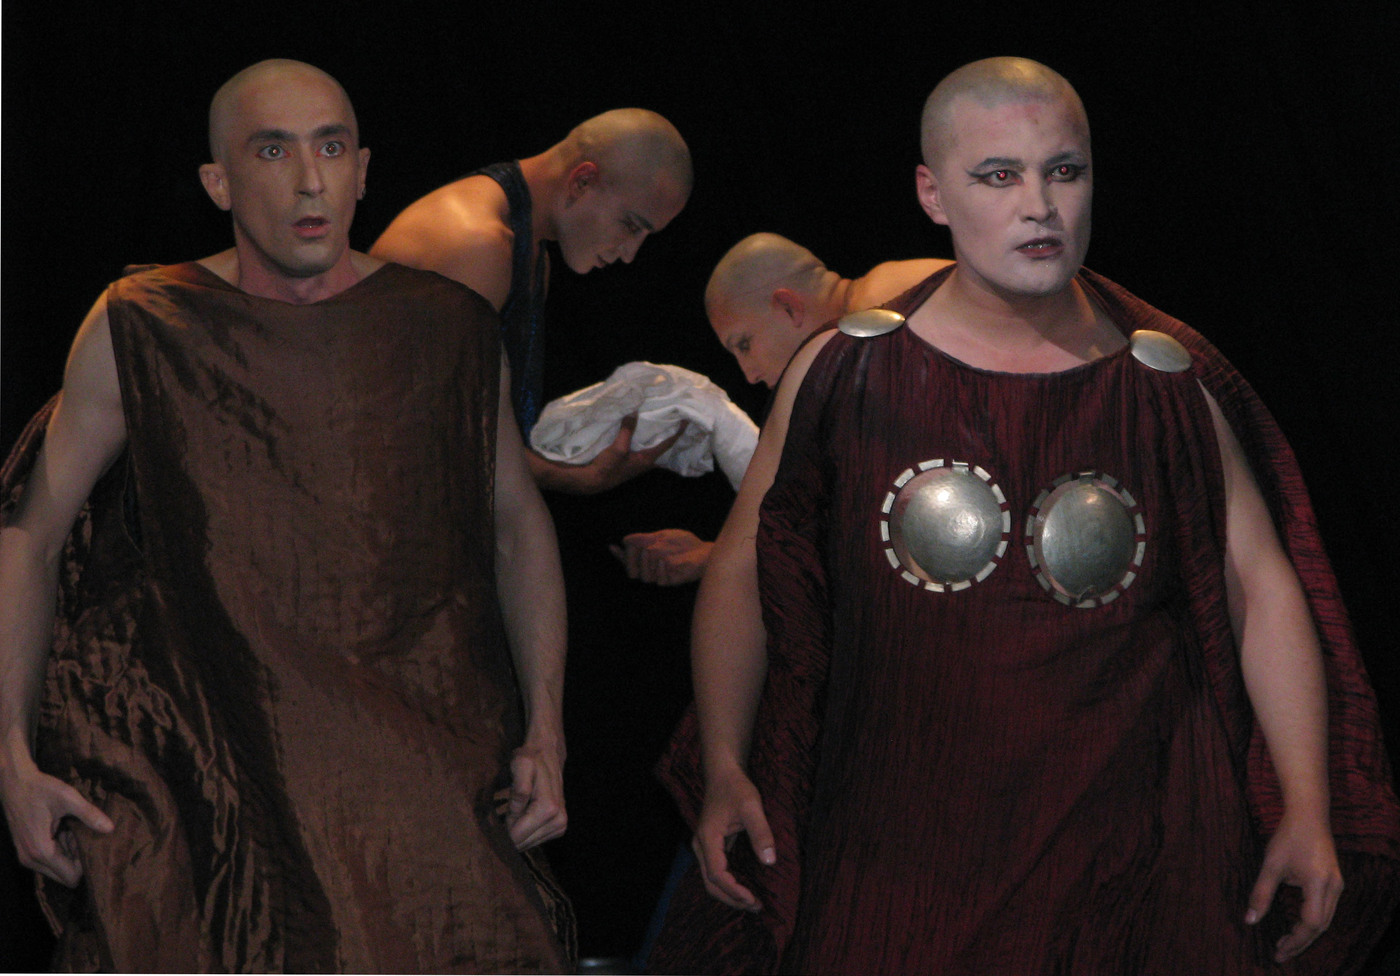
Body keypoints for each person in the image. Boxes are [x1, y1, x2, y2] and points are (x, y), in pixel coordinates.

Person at [647, 58, 1400, 975]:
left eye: (1064, 171)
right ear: (933, 193)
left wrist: (1307, 806)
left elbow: (1261, 587)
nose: (1039, 206)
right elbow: (748, 569)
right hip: (900, 852)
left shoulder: (1168, 382)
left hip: (1132, 855)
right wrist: (727, 761)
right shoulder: (847, 373)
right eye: (998, 176)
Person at [0, 59, 572, 971]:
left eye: (331, 148)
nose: (310, 181)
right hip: (207, 773)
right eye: (273, 151)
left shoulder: (448, 327)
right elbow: (32, 536)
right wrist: (11, 755)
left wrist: (546, 730)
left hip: (415, 764)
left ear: (363, 170)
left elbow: (516, 527)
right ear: (218, 182)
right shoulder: (146, 322)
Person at [370, 109, 693, 494]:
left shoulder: (529, 251)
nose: (629, 254)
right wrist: (573, 478)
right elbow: (434, 432)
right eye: (631, 225)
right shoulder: (477, 243)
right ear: (582, 180)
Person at [612, 233, 950, 586]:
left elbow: (871, 526)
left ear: (788, 307)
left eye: (744, 344)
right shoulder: (856, 347)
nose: (749, 374)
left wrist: (717, 558)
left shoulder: (878, 310)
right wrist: (714, 555)